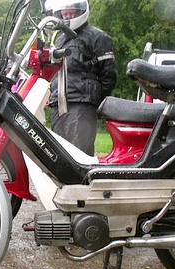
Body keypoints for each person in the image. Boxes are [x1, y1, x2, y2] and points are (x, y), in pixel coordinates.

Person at [48, 0, 117, 156]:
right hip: (58, 102)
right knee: (57, 152)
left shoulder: (98, 37)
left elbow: (109, 75)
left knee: (81, 152)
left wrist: (94, 99)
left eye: (72, 13)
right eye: (65, 13)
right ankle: (61, 181)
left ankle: (84, 181)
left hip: (83, 102)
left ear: (80, 12)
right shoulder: (58, 37)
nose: (68, 16)